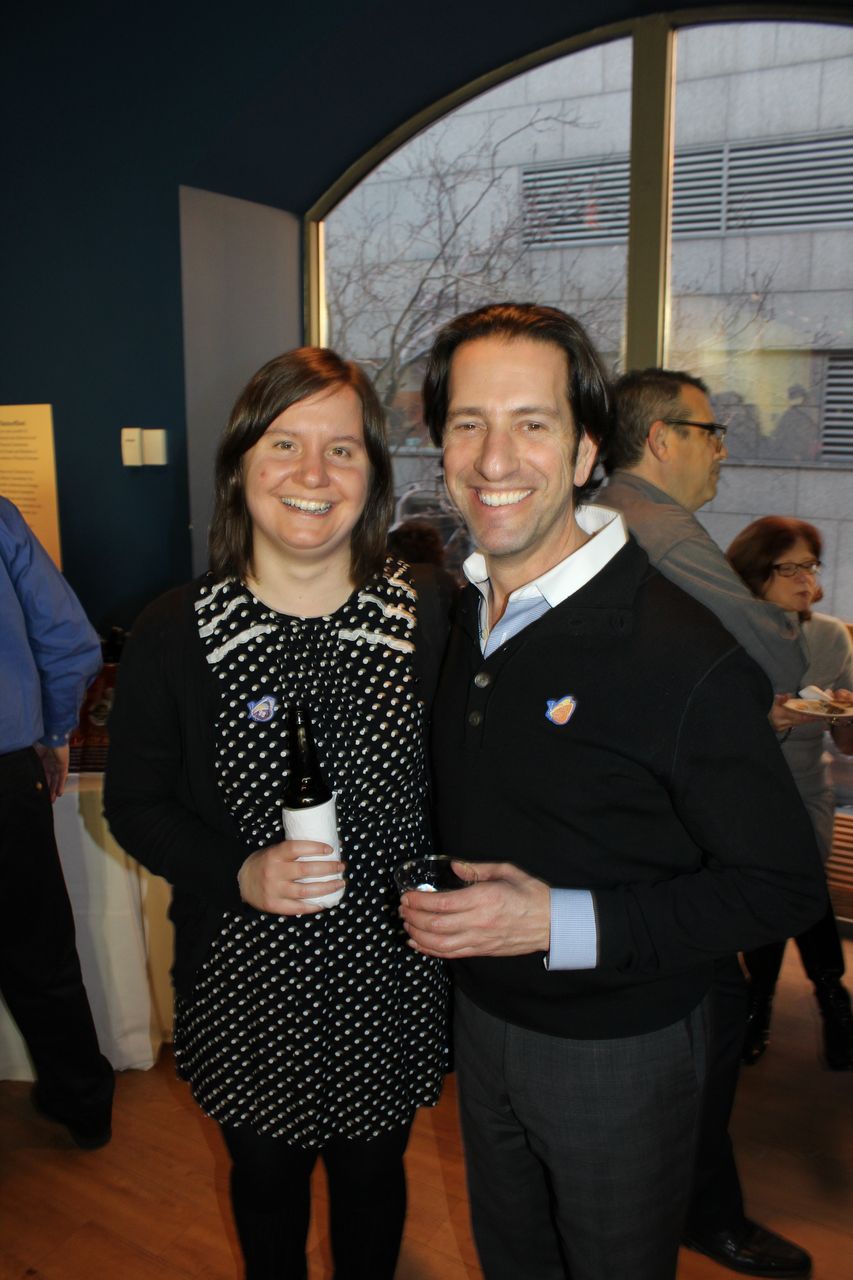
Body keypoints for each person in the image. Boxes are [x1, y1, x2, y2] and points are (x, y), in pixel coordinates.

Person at [399, 303, 826, 1280]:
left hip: (617, 1043)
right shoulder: (464, 608)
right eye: (469, 421)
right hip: (485, 1018)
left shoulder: (679, 651)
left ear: (588, 449)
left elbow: (781, 884)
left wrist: (558, 919)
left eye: (531, 422)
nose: (494, 455)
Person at [104, 348, 451, 1280]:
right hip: (243, 974)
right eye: (284, 443)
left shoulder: (430, 616)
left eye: (342, 450)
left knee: (377, 1174)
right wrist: (238, 870)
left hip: (389, 968)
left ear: (374, 474)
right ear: (239, 466)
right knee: (263, 1177)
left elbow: (472, 785)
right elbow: (136, 805)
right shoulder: (176, 629)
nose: (312, 474)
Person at [597, 368, 817, 1278]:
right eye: (709, 429)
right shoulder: (655, 525)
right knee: (705, 1018)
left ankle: (693, 1204)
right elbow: (770, 645)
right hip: (650, 828)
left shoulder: (600, 516)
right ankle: (692, 1212)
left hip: (622, 811)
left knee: (704, 1016)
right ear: (660, 439)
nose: (722, 446)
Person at [0, 495, 114, 1149]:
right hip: (6, 776)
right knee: (41, 956)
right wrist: (50, 731)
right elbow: (69, 639)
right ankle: (84, 1107)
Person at [727, 517, 853, 1069]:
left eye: (811, 566)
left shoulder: (829, 635)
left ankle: (761, 1005)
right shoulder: (727, 634)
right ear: (756, 575)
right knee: (788, 883)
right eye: (790, 568)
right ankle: (832, 1002)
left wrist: (848, 712)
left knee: (788, 877)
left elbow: (844, 742)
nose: (806, 579)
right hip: (742, 790)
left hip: (806, 788)